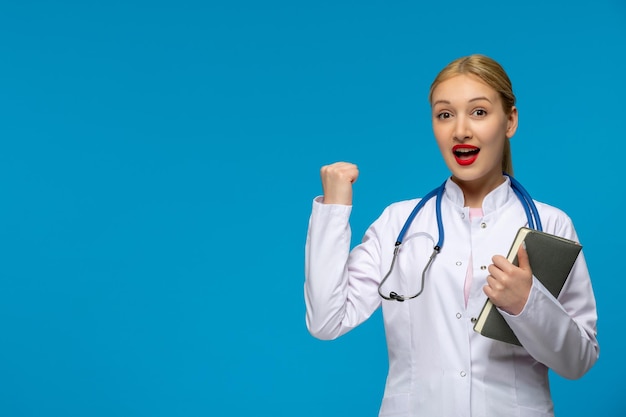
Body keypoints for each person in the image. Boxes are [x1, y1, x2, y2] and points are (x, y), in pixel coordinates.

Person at [304, 54, 599, 416]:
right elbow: (325, 321)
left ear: (510, 121)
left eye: (478, 112)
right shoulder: (399, 223)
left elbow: (579, 361)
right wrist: (334, 209)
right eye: (445, 114)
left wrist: (528, 304)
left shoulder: (550, 225)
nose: (460, 130)